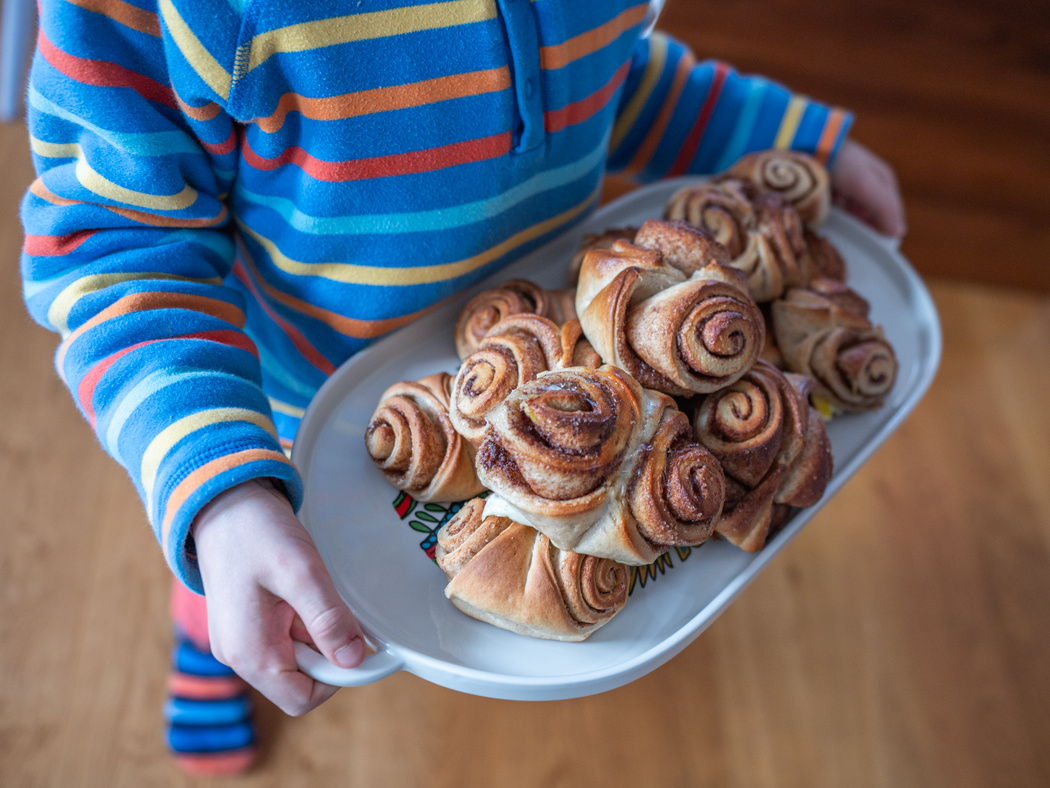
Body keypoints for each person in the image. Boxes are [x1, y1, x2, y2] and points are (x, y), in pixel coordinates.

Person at [20, 0, 904, 775]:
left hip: (567, 387)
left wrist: (787, 136)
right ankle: (214, 631)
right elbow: (113, 238)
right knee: (251, 574)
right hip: (284, 413)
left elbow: (609, 78)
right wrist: (219, 494)